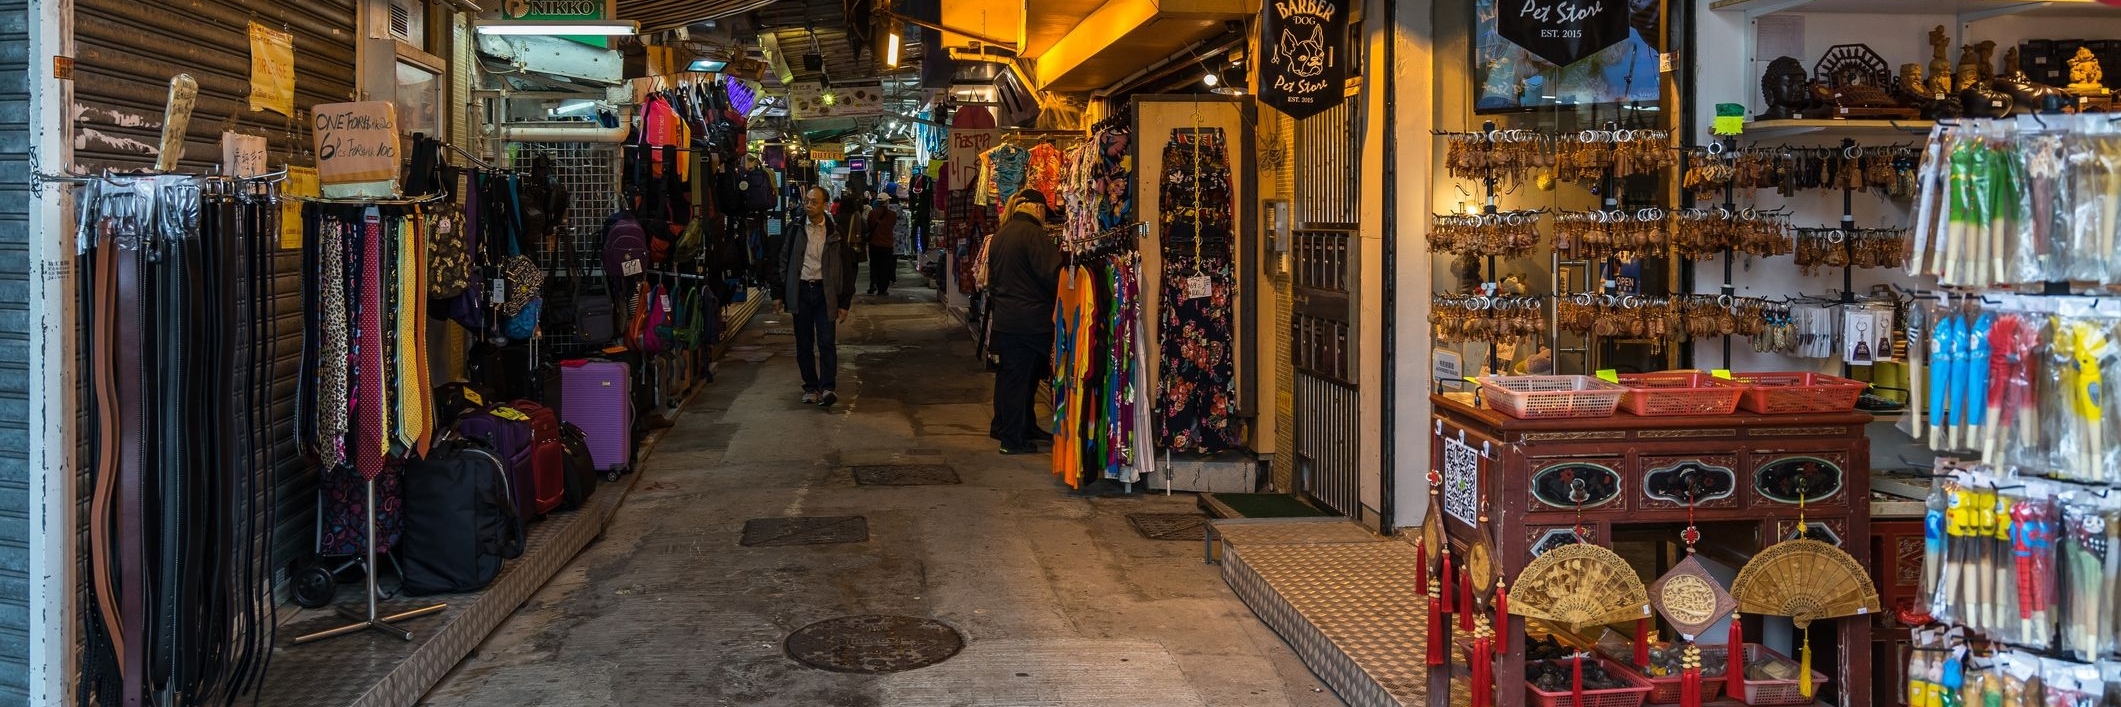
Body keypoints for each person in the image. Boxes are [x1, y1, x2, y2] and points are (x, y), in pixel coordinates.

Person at [985, 190, 1062, 454]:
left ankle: (1017, 427)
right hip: (1031, 320)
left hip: (1009, 318)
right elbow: (1052, 275)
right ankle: (1012, 439)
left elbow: (994, 280)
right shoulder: (1033, 235)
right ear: (1037, 209)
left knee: (1016, 377)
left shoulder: (1002, 234)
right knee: (1020, 379)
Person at [779, 186, 859, 407]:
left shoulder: (835, 232)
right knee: (804, 343)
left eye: (814, 202)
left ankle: (828, 387)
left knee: (826, 342)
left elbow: (846, 268)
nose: (808, 205)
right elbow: (783, 260)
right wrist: (782, 291)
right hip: (802, 291)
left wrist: (844, 302)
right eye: (807, 201)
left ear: (825, 205)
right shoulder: (794, 229)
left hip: (826, 293)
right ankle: (810, 387)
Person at [867, 196, 902, 295]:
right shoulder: (892, 214)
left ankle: (873, 282)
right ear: (886, 201)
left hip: (874, 243)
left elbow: (869, 224)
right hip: (887, 244)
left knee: (874, 265)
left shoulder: (872, 213)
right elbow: (892, 225)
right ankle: (882, 288)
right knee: (885, 267)